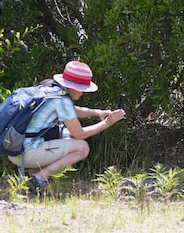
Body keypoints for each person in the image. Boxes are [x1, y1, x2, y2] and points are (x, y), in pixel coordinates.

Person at [7, 60, 126, 195]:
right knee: (82, 148)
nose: (83, 93)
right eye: (82, 89)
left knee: (64, 135)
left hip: (14, 149)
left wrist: (97, 113)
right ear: (74, 86)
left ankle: (31, 176)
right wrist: (107, 123)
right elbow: (80, 134)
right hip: (27, 154)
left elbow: (72, 111)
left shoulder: (50, 89)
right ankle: (37, 181)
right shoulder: (61, 100)